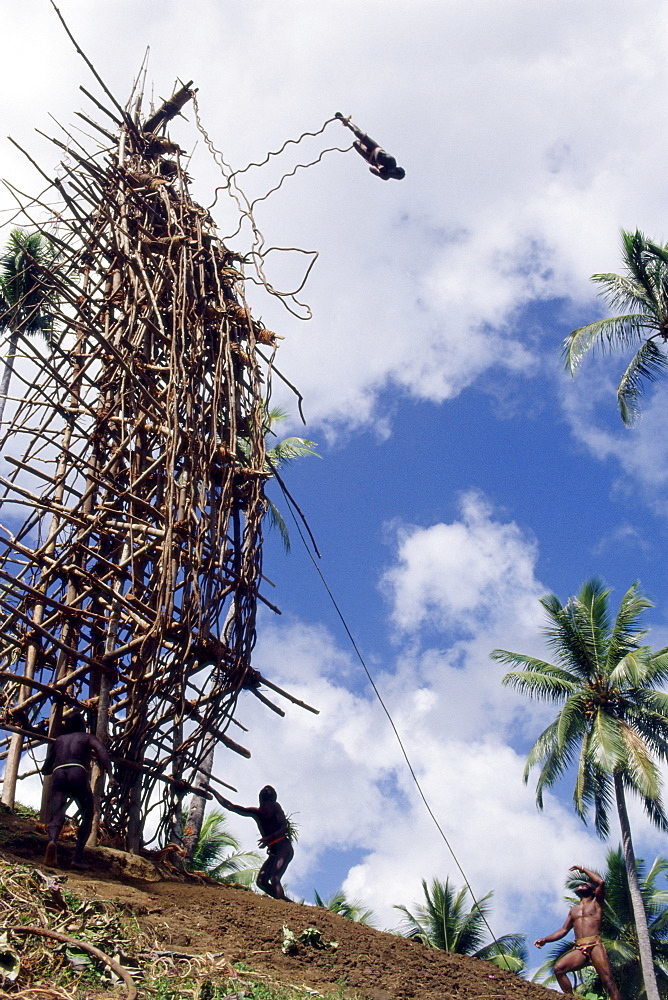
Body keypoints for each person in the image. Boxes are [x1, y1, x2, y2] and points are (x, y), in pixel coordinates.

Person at [534, 864, 621, 1000]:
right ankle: (570, 997)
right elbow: (563, 930)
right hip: (580, 948)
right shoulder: (573, 910)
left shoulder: (596, 903)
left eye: (586, 884)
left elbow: (601, 882)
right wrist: (545, 940)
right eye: (581, 884)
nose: (582, 885)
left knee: (608, 982)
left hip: (595, 945)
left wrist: (582, 869)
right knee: (559, 969)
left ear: (593, 891)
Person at [42, 713, 116, 869]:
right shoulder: (87, 737)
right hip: (78, 772)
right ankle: (77, 858)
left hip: (58, 774)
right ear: (82, 725)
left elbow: (46, 768)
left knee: (56, 814)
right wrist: (110, 774)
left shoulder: (59, 740)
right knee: (88, 813)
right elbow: (102, 752)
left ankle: (52, 842)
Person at [217, 785, 293, 900]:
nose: (266, 805)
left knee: (274, 878)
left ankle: (283, 903)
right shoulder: (256, 813)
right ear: (260, 800)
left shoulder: (276, 807)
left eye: (268, 793)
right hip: (274, 852)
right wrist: (212, 790)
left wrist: (270, 838)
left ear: (272, 800)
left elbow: (284, 828)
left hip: (284, 848)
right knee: (261, 881)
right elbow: (230, 806)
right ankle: (284, 901)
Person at [335, 112, 405, 181]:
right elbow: (381, 155)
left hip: (370, 158)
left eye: (395, 175)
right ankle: (346, 121)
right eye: (396, 173)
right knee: (358, 133)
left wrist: (379, 173)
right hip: (375, 149)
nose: (393, 173)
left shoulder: (385, 175)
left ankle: (352, 130)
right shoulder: (392, 162)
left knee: (355, 144)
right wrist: (381, 167)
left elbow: (371, 168)